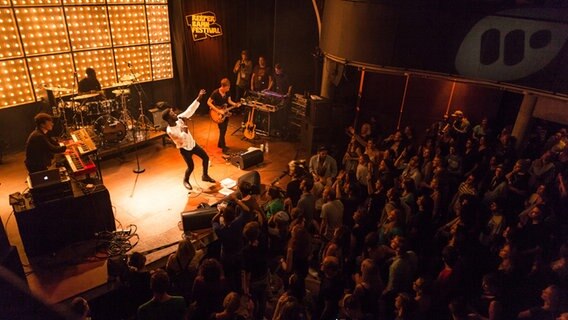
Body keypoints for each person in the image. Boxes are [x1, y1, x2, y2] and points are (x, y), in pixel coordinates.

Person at [162, 89, 215, 190]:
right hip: (185, 150)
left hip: (193, 145)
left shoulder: (179, 119)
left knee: (205, 158)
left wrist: (199, 97)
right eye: (172, 114)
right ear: (169, 119)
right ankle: (185, 180)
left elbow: (190, 110)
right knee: (191, 167)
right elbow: (181, 141)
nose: (175, 114)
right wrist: (184, 130)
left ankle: (205, 176)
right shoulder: (170, 131)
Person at [208, 78, 240, 153]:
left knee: (224, 129)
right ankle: (223, 147)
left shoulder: (228, 92)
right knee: (222, 129)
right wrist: (218, 110)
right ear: (223, 86)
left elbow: (229, 101)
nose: (229, 89)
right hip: (217, 113)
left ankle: (220, 143)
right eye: (228, 87)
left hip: (225, 113)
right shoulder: (215, 93)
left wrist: (235, 104)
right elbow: (208, 102)